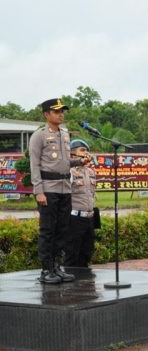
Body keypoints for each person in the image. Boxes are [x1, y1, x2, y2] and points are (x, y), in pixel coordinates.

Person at [29, 98, 90, 283]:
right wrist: (38, 191)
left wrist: (79, 161)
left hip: (65, 188)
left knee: (62, 230)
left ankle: (57, 267)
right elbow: (35, 165)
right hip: (48, 189)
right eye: (56, 111)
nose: (61, 114)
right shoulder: (39, 136)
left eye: (62, 111)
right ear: (46, 115)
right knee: (48, 230)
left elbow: (63, 163)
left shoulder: (64, 134)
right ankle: (46, 270)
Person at [65, 139, 97, 268]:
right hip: (74, 219)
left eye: (87, 150)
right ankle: (70, 287)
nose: (86, 153)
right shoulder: (69, 172)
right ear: (72, 154)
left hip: (89, 218)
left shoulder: (90, 172)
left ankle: (84, 285)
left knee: (86, 253)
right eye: (82, 150)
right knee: (72, 254)